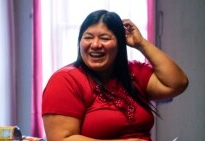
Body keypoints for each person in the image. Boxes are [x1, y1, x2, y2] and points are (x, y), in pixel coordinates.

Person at [42, 9, 188, 141]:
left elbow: (177, 83)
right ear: (79, 42)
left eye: (105, 38)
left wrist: (141, 44)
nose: (95, 44)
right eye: (88, 37)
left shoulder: (132, 71)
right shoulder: (65, 80)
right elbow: (61, 139)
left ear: (120, 44)